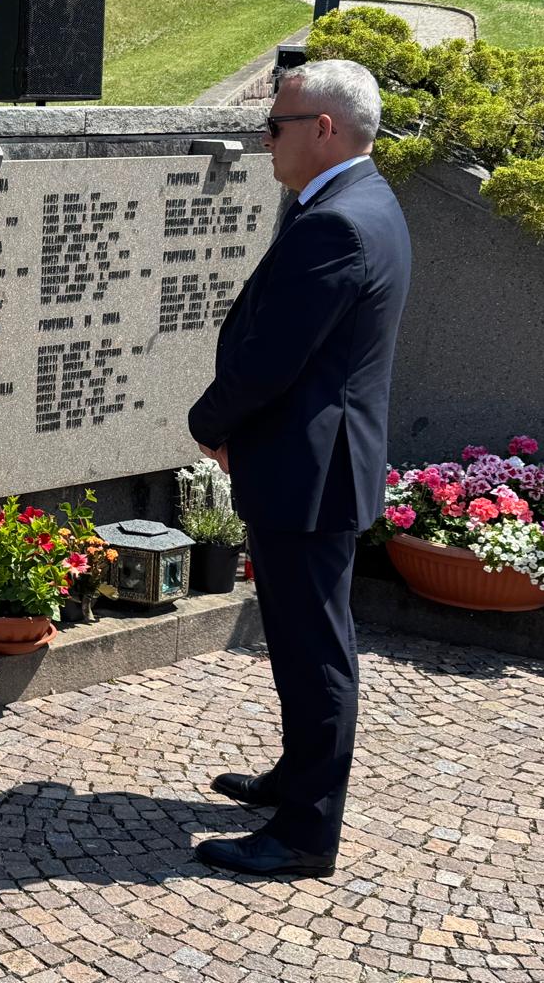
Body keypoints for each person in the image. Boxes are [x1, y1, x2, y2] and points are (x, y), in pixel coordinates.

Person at [187, 58, 412, 878]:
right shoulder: (362, 199)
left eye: (275, 125)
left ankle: (307, 833)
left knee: (316, 650)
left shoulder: (337, 223)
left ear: (323, 129)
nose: (265, 140)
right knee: (297, 636)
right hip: (312, 464)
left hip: (309, 473)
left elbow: (275, 358)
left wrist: (208, 422)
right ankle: (295, 780)